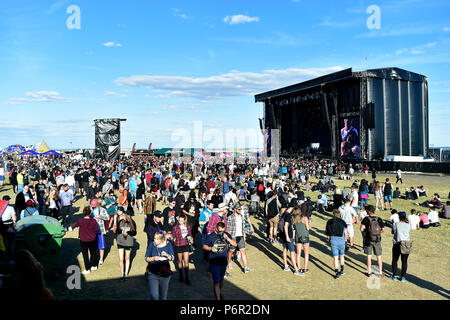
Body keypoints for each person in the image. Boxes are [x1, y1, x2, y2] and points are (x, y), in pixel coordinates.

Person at [203, 221, 237, 300]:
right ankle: (218, 298)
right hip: (214, 262)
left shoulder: (226, 235)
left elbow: (235, 244)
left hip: (223, 262)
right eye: (220, 231)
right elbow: (204, 246)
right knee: (216, 281)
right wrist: (210, 248)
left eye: (223, 230)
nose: (221, 232)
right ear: (216, 229)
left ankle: (218, 293)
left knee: (221, 280)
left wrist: (227, 238)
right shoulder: (211, 236)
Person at [144, 232, 175, 300]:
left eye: (157, 239)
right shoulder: (151, 245)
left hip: (165, 275)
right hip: (152, 273)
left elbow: (172, 258)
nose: (155, 240)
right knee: (154, 296)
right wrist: (153, 258)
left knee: (163, 297)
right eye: (154, 238)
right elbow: (146, 258)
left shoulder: (168, 245)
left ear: (162, 240)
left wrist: (166, 255)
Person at [226, 203, 253, 274]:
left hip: (240, 236)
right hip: (233, 237)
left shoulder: (241, 216)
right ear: (235, 209)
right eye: (239, 209)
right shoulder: (230, 217)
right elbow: (227, 229)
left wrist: (246, 231)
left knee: (243, 251)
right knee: (231, 251)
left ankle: (246, 267)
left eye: (241, 209)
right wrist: (230, 238)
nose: (240, 210)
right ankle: (229, 262)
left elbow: (242, 226)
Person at [73, 206, 100, 274]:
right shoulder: (93, 221)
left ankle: (87, 269)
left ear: (83, 213)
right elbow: (97, 229)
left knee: (85, 255)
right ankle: (94, 265)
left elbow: (75, 225)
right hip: (92, 239)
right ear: (90, 213)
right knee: (93, 253)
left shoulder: (80, 221)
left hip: (83, 240)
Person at [360, 205, 385, 277]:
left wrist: (367, 233)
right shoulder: (379, 219)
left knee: (369, 256)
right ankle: (380, 272)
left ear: (369, 211)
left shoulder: (366, 219)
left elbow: (361, 229)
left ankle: (369, 271)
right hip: (377, 239)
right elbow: (383, 230)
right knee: (379, 256)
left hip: (368, 239)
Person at [115, 206, 137, 281]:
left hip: (128, 242)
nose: (123, 216)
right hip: (120, 241)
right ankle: (122, 273)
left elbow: (134, 233)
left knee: (127, 258)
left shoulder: (132, 222)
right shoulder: (120, 221)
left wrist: (127, 232)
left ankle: (126, 273)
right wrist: (121, 230)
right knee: (121, 259)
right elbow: (117, 231)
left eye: (125, 215)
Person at [325, 209, 348, 279]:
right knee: (342, 255)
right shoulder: (343, 222)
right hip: (341, 241)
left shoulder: (329, 222)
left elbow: (328, 234)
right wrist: (345, 240)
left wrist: (329, 239)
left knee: (335, 257)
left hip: (333, 241)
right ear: (339, 214)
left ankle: (337, 273)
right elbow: (346, 233)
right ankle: (342, 270)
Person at [390, 211, 411, 282]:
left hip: (397, 243)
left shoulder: (395, 224)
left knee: (395, 260)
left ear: (398, 217)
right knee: (404, 261)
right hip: (406, 244)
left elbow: (393, 232)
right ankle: (403, 277)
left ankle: (394, 275)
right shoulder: (408, 225)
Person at [171, 214, 193, 284]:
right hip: (178, 245)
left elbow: (189, 235)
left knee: (186, 261)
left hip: (186, 245)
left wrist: (191, 239)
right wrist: (172, 240)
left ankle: (187, 277)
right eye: (179, 220)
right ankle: (181, 276)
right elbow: (173, 236)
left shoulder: (188, 227)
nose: (180, 222)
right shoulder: (175, 228)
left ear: (184, 220)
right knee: (180, 261)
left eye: (181, 221)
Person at [90, 198, 110, 266]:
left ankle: (101, 259)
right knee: (93, 246)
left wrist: (100, 216)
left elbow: (108, 217)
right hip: (92, 231)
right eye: (92, 205)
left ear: (97, 204)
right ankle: (94, 258)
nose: (93, 206)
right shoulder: (90, 210)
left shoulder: (102, 209)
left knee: (101, 246)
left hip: (100, 230)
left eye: (94, 205)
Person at [293, 208, 310, 275]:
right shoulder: (304, 218)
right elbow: (308, 228)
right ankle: (305, 268)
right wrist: (309, 222)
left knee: (298, 253)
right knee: (306, 253)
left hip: (298, 237)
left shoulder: (294, 219)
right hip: (305, 236)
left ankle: (299, 267)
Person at [1, 195, 16, 264]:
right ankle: (11, 259)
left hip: (1, 226)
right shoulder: (11, 208)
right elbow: (14, 218)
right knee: (11, 244)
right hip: (9, 225)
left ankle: (2, 259)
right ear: (8, 201)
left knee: (2, 244)